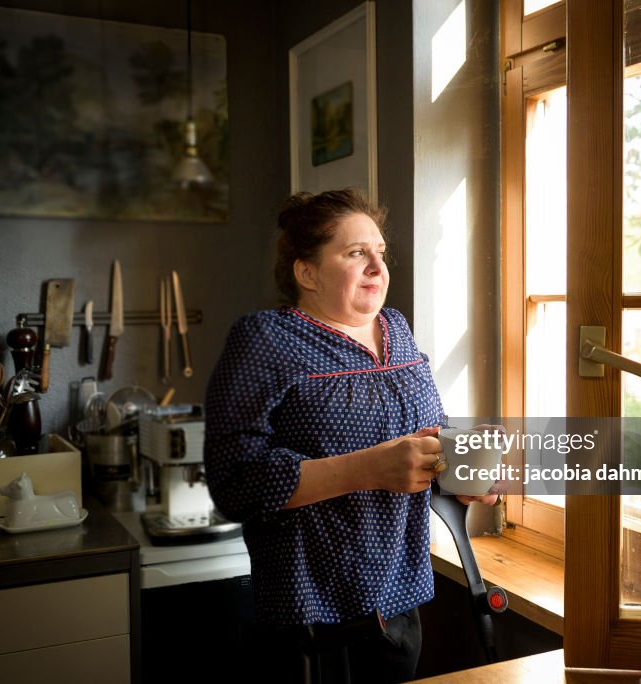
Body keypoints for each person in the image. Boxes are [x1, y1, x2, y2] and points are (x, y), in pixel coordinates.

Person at [204, 188, 496, 683]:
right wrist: (368, 468)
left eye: (380, 252)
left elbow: (429, 435)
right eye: (356, 252)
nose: (378, 267)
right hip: (311, 622)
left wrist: (464, 470)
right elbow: (235, 483)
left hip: (400, 607)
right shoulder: (265, 338)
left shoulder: (396, 329)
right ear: (307, 272)